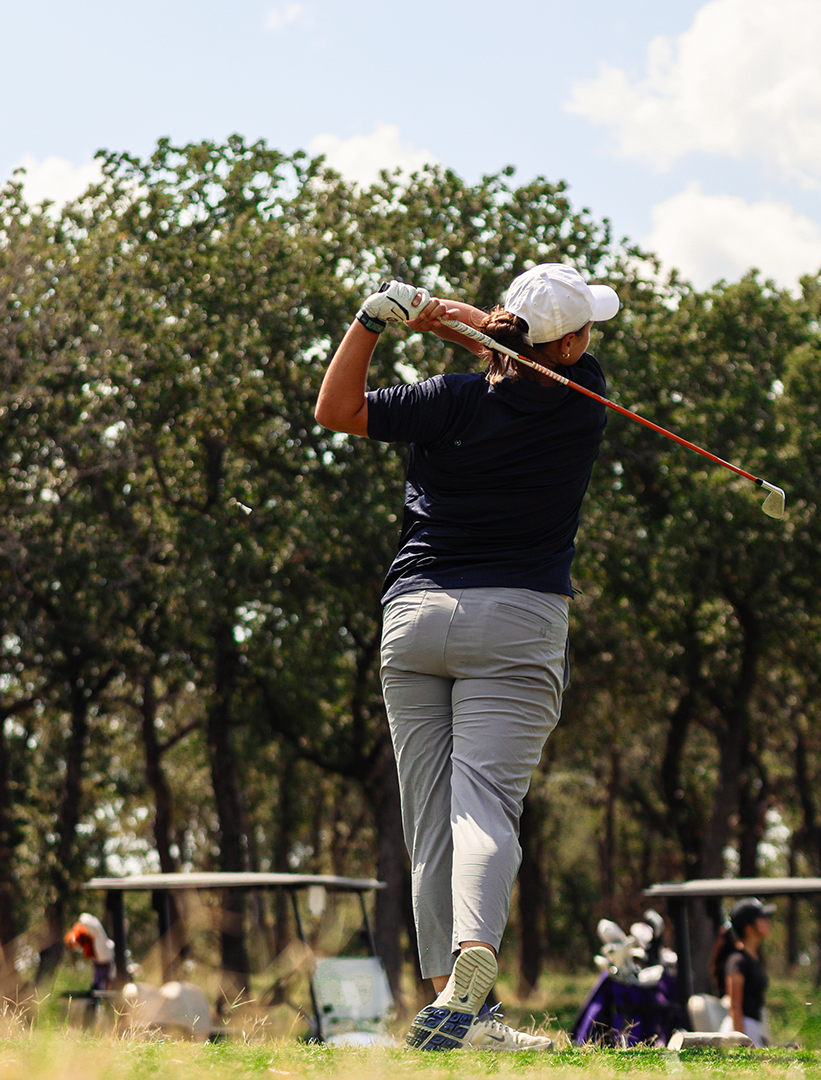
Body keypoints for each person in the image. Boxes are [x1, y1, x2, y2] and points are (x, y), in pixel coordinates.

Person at [315, 265, 622, 1052]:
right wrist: (455, 320)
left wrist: (377, 321)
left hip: (415, 618)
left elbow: (335, 410)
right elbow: (531, 355)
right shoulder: (583, 399)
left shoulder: (446, 399)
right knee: (482, 802)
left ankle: (461, 1014)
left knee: (430, 819)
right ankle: (474, 958)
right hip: (517, 620)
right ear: (575, 340)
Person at [711, 898, 774, 1046]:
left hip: (753, 1028)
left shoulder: (753, 958)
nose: (767, 921)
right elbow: (735, 1006)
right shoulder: (737, 961)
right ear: (749, 928)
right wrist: (742, 1044)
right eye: (762, 918)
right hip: (741, 1030)